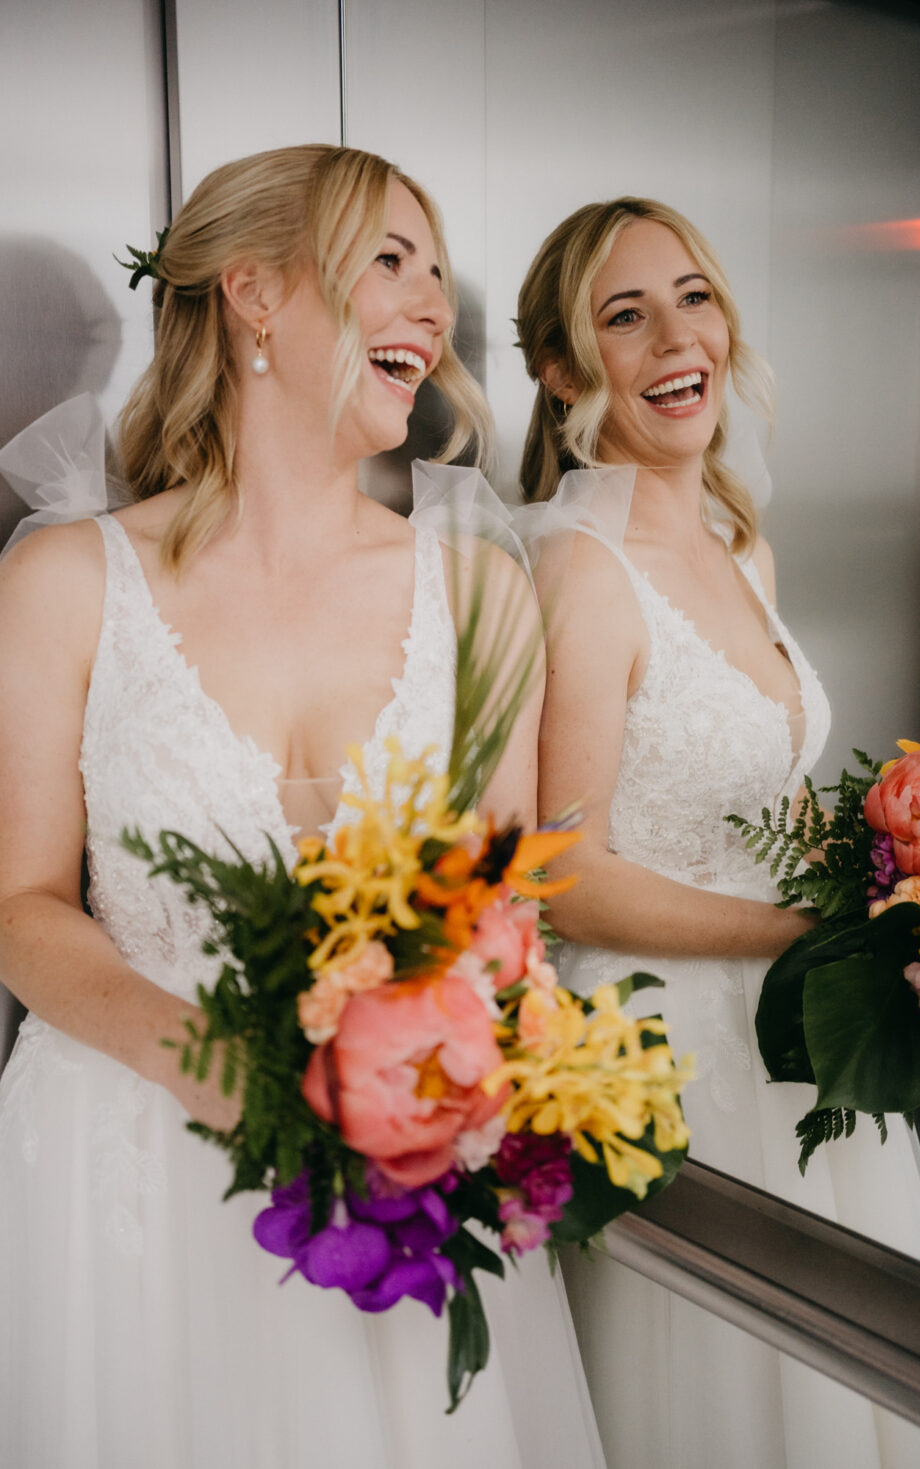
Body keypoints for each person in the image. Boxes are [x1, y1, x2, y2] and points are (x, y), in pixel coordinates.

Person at [0, 145, 605, 1469]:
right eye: (389, 259)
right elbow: (21, 904)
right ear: (254, 292)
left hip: (393, 1175)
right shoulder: (65, 581)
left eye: (437, 271)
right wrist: (215, 1068)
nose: (431, 305)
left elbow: (503, 906)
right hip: (126, 1163)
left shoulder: (481, 595)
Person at [515, 196, 920, 1468]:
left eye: (693, 297)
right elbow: (563, 875)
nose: (676, 338)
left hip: (795, 1034)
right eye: (624, 315)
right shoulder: (575, 569)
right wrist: (811, 931)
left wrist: (910, 878)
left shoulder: (737, 543)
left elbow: (762, 796)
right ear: (562, 371)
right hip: (666, 1055)